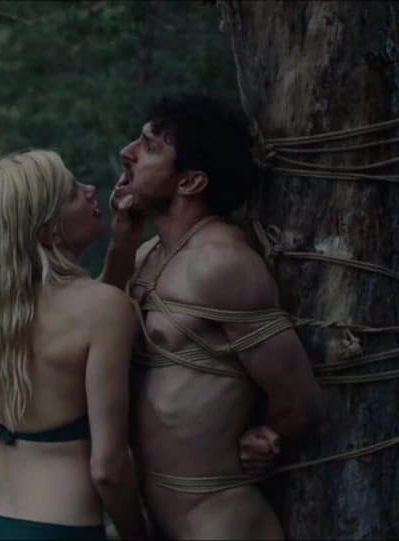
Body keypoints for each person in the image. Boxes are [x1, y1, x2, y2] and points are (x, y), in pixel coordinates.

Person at [100, 94, 324, 539]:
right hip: (163, 522)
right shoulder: (145, 256)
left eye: (149, 147)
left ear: (191, 182)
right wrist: (121, 244)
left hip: (222, 523)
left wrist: (268, 434)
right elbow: (96, 332)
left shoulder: (221, 264)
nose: (127, 153)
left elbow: (302, 401)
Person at [0, 150, 147, 540]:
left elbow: (78, 323)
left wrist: (121, 251)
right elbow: (109, 470)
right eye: (72, 193)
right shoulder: (103, 309)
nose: (90, 189)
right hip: (60, 528)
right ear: (48, 231)